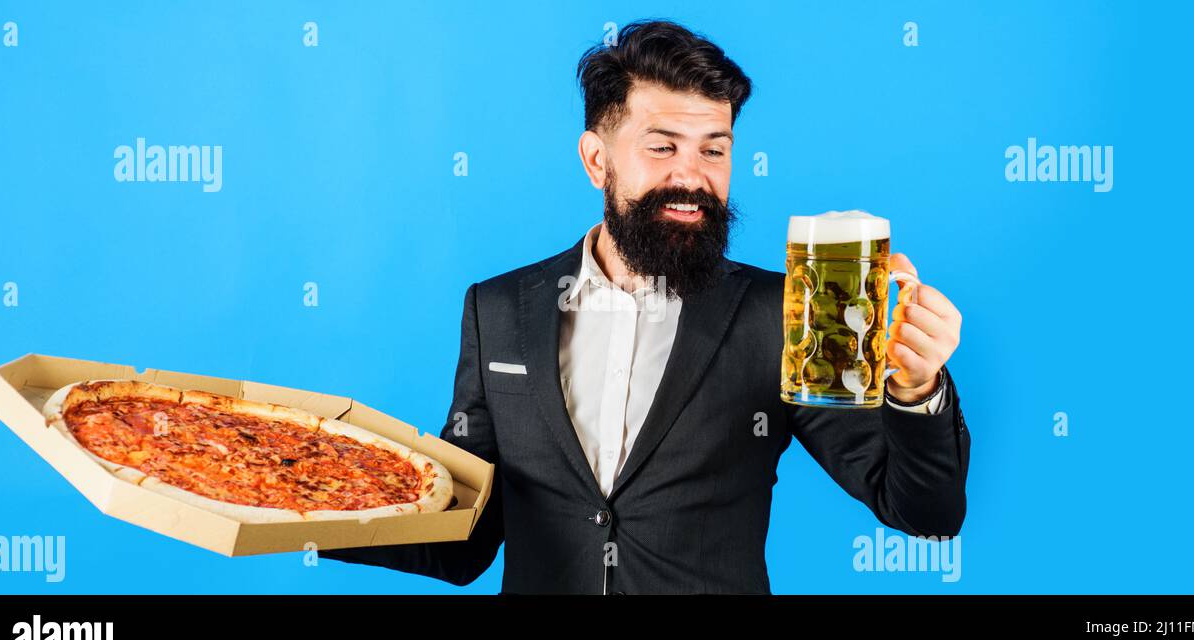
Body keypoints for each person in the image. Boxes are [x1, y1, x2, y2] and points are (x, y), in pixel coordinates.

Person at [320, 19, 969, 594]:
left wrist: (917, 390)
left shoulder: (779, 312)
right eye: (662, 146)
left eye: (714, 148)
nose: (692, 176)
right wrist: (306, 508)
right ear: (597, 159)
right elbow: (464, 537)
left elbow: (923, 512)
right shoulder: (498, 311)